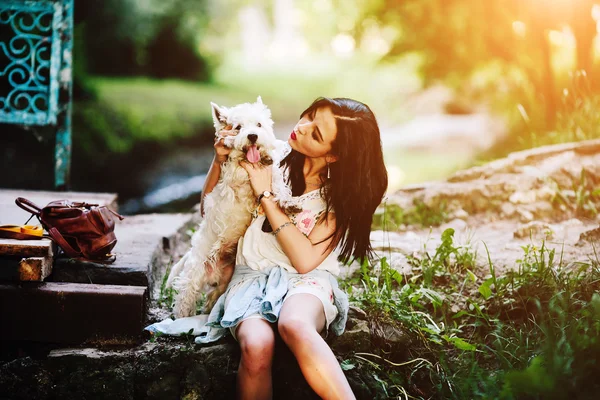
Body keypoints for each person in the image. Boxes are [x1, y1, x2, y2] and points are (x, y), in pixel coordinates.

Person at [198, 97, 388, 400]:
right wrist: (220, 161)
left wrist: (265, 196)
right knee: (257, 345)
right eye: (309, 116)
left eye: (316, 134)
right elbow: (208, 209)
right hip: (251, 275)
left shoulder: (337, 197)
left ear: (334, 155)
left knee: (295, 324)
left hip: (306, 281)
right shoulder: (267, 154)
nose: (302, 127)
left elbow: (304, 260)